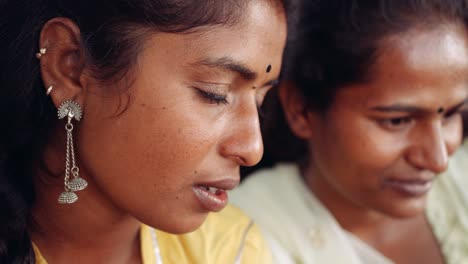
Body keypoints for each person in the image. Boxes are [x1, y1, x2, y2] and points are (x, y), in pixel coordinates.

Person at [0, 0, 287, 263]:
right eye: (215, 93)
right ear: (70, 65)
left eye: (260, 102)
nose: (253, 149)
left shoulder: (231, 251)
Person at [231, 0, 468, 263]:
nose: (438, 160)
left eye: (450, 114)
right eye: (397, 121)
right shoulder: (239, 240)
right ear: (302, 110)